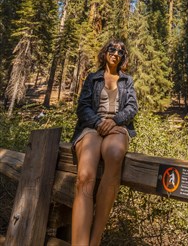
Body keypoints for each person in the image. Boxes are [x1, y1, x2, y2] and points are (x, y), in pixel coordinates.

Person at [71, 39, 138, 246]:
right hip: (91, 127)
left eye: (120, 51)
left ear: (123, 57)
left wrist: (115, 121)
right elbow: (82, 107)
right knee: (85, 177)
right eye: (112, 49)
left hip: (117, 128)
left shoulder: (127, 81)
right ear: (105, 53)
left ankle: (95, 240)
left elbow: (132, 107)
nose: (116, 53)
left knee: (115, 154)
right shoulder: (93, 78)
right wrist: (99, 122)